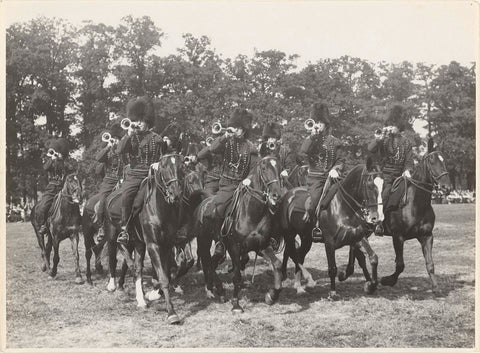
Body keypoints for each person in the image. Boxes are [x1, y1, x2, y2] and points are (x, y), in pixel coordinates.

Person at [201, 108, 258, 255]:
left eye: (239, 128)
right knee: (214, 211)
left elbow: (254, 169)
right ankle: (219, 241)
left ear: (244, 129)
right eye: (235, 128)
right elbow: (212, 149)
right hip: (227, 186)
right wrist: (225, 135)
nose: (237, 131)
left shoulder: (251, 147)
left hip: (243, 187)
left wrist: (248, 179)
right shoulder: (225, 143)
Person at [115, 96, 164, 245]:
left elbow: (164, 157)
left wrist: (159, 164)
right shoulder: (130, 137)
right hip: (135, 175)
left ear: (147, 121)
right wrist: (128, 134)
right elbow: (119, 150)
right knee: (127, 196)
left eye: (141, 121)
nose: (138, 124)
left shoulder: (157, 138)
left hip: (153, 174)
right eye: (136, 120)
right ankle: (125, 228)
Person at [298, 102, 345, 242]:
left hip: (333, 178)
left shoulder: (335, 142)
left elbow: (341, 160)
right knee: (315, 202)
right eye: (315, 122)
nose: (318, 125)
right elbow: (301, 155)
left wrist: (336, 169)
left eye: (320, 122)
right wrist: (312, 136)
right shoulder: (309, 140)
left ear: (326, 124)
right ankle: (315, 227)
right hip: (315, 180)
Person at [367, 105, 414, 215]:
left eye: (393, 125)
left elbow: (409, 161)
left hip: (401, 176)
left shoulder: (407, 142)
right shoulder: (383, 140)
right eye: (389, 125)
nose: (391, 127)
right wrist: (378, 139)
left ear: (399, 126)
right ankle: (379, 221)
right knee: (385, 194)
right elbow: (370, 149)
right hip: (385, 175)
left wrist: (408, 170)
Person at [36, 138, 77, 236]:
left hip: (64, 189)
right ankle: (44, 225)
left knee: (75, 204)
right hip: (52, 188)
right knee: (42, 207)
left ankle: (77, 223)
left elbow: (72, 170)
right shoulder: (50, 161)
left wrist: (61, 159)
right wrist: (52, 158)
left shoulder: (65, 162)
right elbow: (45, 168)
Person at [93, 122, 126, 242]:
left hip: (123, 181)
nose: (115, 141)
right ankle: (101, 227)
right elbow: (98, 158)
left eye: (117, 139)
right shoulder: (108, 151)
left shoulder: (123, 151)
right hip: (109, 181)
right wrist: (108, 147)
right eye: (114, 139)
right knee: (102, 202)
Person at [258, 122, 297, 188]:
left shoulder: (285, 150)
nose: (271, 140)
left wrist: (286, 172)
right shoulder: (263, 150)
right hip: (266, 180)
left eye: (273, 138)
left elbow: (290, 166)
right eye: (269, 138)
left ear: (277, 139)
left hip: (281, 180)